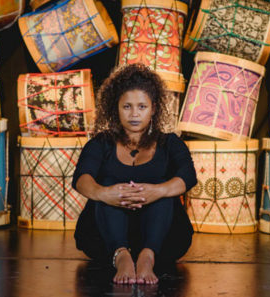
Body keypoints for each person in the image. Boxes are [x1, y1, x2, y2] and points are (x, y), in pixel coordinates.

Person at [72, 63, 197, 285]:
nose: (134, 114)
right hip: (105, 234)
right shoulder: (101, 143)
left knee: (161, 186)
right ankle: (122, 256)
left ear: (154, 108)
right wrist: (105, 193)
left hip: (163, 235)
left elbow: (188, 176)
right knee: (110, 182)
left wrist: (156, 191)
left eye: (142, 107)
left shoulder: (170, 143)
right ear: (116, 108)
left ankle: (147, 257)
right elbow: (81, 178)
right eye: (127, 107)